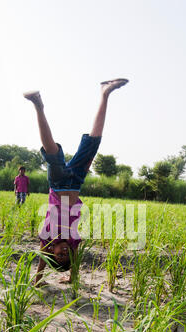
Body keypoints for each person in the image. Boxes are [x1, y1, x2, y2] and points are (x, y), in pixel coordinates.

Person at [23, 78, 128, 286]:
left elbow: (42, 260)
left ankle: (38, 106)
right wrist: (72, 277)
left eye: (59, 255)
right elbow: (76, 258)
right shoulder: (73, 242)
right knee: (93, 142)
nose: (63, 251)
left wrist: (38, 279)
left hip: (59, 183)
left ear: (51, 252)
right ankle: (105, 93)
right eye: (66, 255)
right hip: (77, 182)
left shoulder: (47, 239)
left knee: (52, 153)